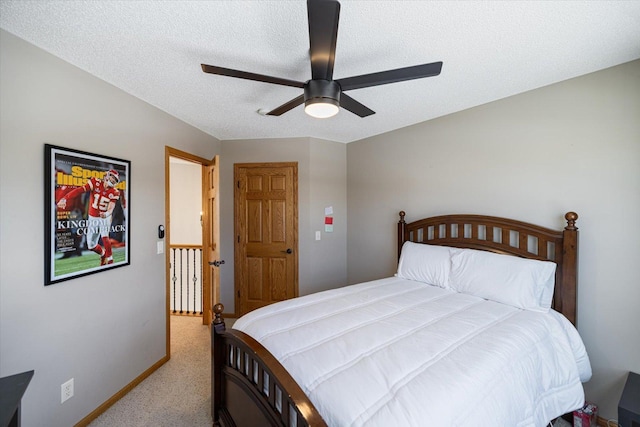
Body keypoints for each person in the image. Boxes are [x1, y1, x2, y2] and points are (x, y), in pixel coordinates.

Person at [57, 169, 121, 265]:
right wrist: (65, 198)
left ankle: (110, 260)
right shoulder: (95, 182)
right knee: (91, 245)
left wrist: (107, 214)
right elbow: (79, 190)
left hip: (105, 217)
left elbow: (111, 208)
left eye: (114, 179)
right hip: (92, 217)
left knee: (104, 236)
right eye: (111, 177)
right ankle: (103, 254)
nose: (112, 180)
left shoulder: (115, 192)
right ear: (107, 175)